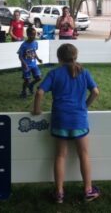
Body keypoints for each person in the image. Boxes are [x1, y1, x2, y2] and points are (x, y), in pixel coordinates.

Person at [32, 43, 100, 203]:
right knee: (83, 155)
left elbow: (40, 92)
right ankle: (88, 190)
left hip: (60, 119)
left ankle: (59, 193)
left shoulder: (54, 73)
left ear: (59, 58)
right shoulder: (84, 72)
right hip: (79, 120)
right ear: (76, 56)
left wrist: (36, 109)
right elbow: (95, 92)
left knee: (60, 156)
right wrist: (85, 105)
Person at [17, 27, 43, 98]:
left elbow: (34, 52)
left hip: (34, 64)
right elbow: (20, 56)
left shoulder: (35, 43)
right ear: (28, 35)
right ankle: (23, 92)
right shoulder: (24, 45)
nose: (34, 36)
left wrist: (38, 59)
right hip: (26, 65)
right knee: (27, 80)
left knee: (39, 78)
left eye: (34, 35)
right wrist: (24, 64)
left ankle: (31, 85)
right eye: (32, 35)